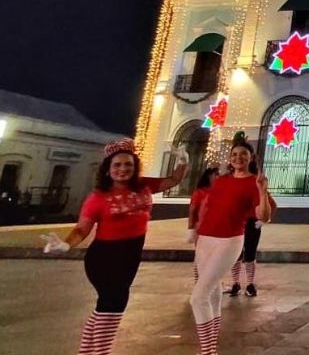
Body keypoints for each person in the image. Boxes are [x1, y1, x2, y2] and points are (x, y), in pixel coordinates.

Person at [41, 138, 188, 355]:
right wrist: (65, 243)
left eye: (128, 164)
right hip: (105, 257)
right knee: (114, 304)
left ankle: (86, 351)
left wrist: (184, 161)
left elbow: (174, 180)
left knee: (106, 306)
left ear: (134, 166)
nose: (123, 169)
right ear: (108, 170)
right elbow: (82, 229)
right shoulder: (98, 197)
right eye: (117, 165)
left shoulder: (144, 185)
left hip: (131, 255)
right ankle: (101, 351)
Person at [190, 132, 272, 355]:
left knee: (198, 297)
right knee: (213, 290)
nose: (238, 158)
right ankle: (211, 347)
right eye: (234, 154)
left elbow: (264, 216)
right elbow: (208, 206)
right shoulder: (222, 181)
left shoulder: (253, 183)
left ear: (251, 158)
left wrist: (263, 191)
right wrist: (195, 230)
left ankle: (207, 351)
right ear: (230, 158)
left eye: (243, 155)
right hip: (206, 238)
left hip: (229, 240)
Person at [228, 182, 277, 298]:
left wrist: (265, 220)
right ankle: (236, 283)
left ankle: (250, 284)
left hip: (252, 224)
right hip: (236, 223)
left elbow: (272, 205)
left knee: (250, 254)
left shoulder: (257, 189)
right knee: (236, 254)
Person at [187, 166, 219, 282]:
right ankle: (198, 281)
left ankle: (210, 282)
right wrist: (191, 228)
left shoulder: (220, 191)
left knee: (214, 258)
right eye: (215, 175)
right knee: (201, 257)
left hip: (216, 229)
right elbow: (192, 210)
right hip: (201, 229)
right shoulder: (200, 192)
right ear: (208, 176)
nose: (218, 177)